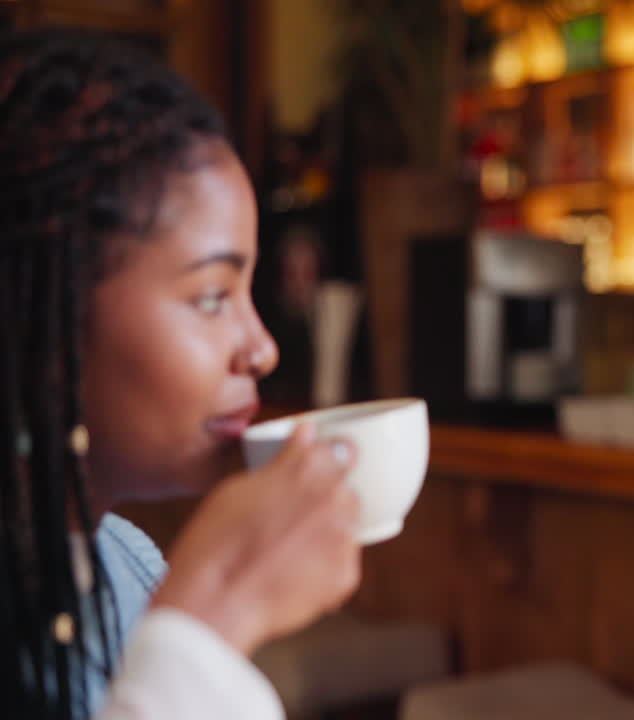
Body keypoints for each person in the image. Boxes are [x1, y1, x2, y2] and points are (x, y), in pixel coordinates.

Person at [1, 28, 363, 719]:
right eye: (212, 297)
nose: (262, 350)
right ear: (40, 315)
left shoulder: (127, 568)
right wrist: (211, 620)